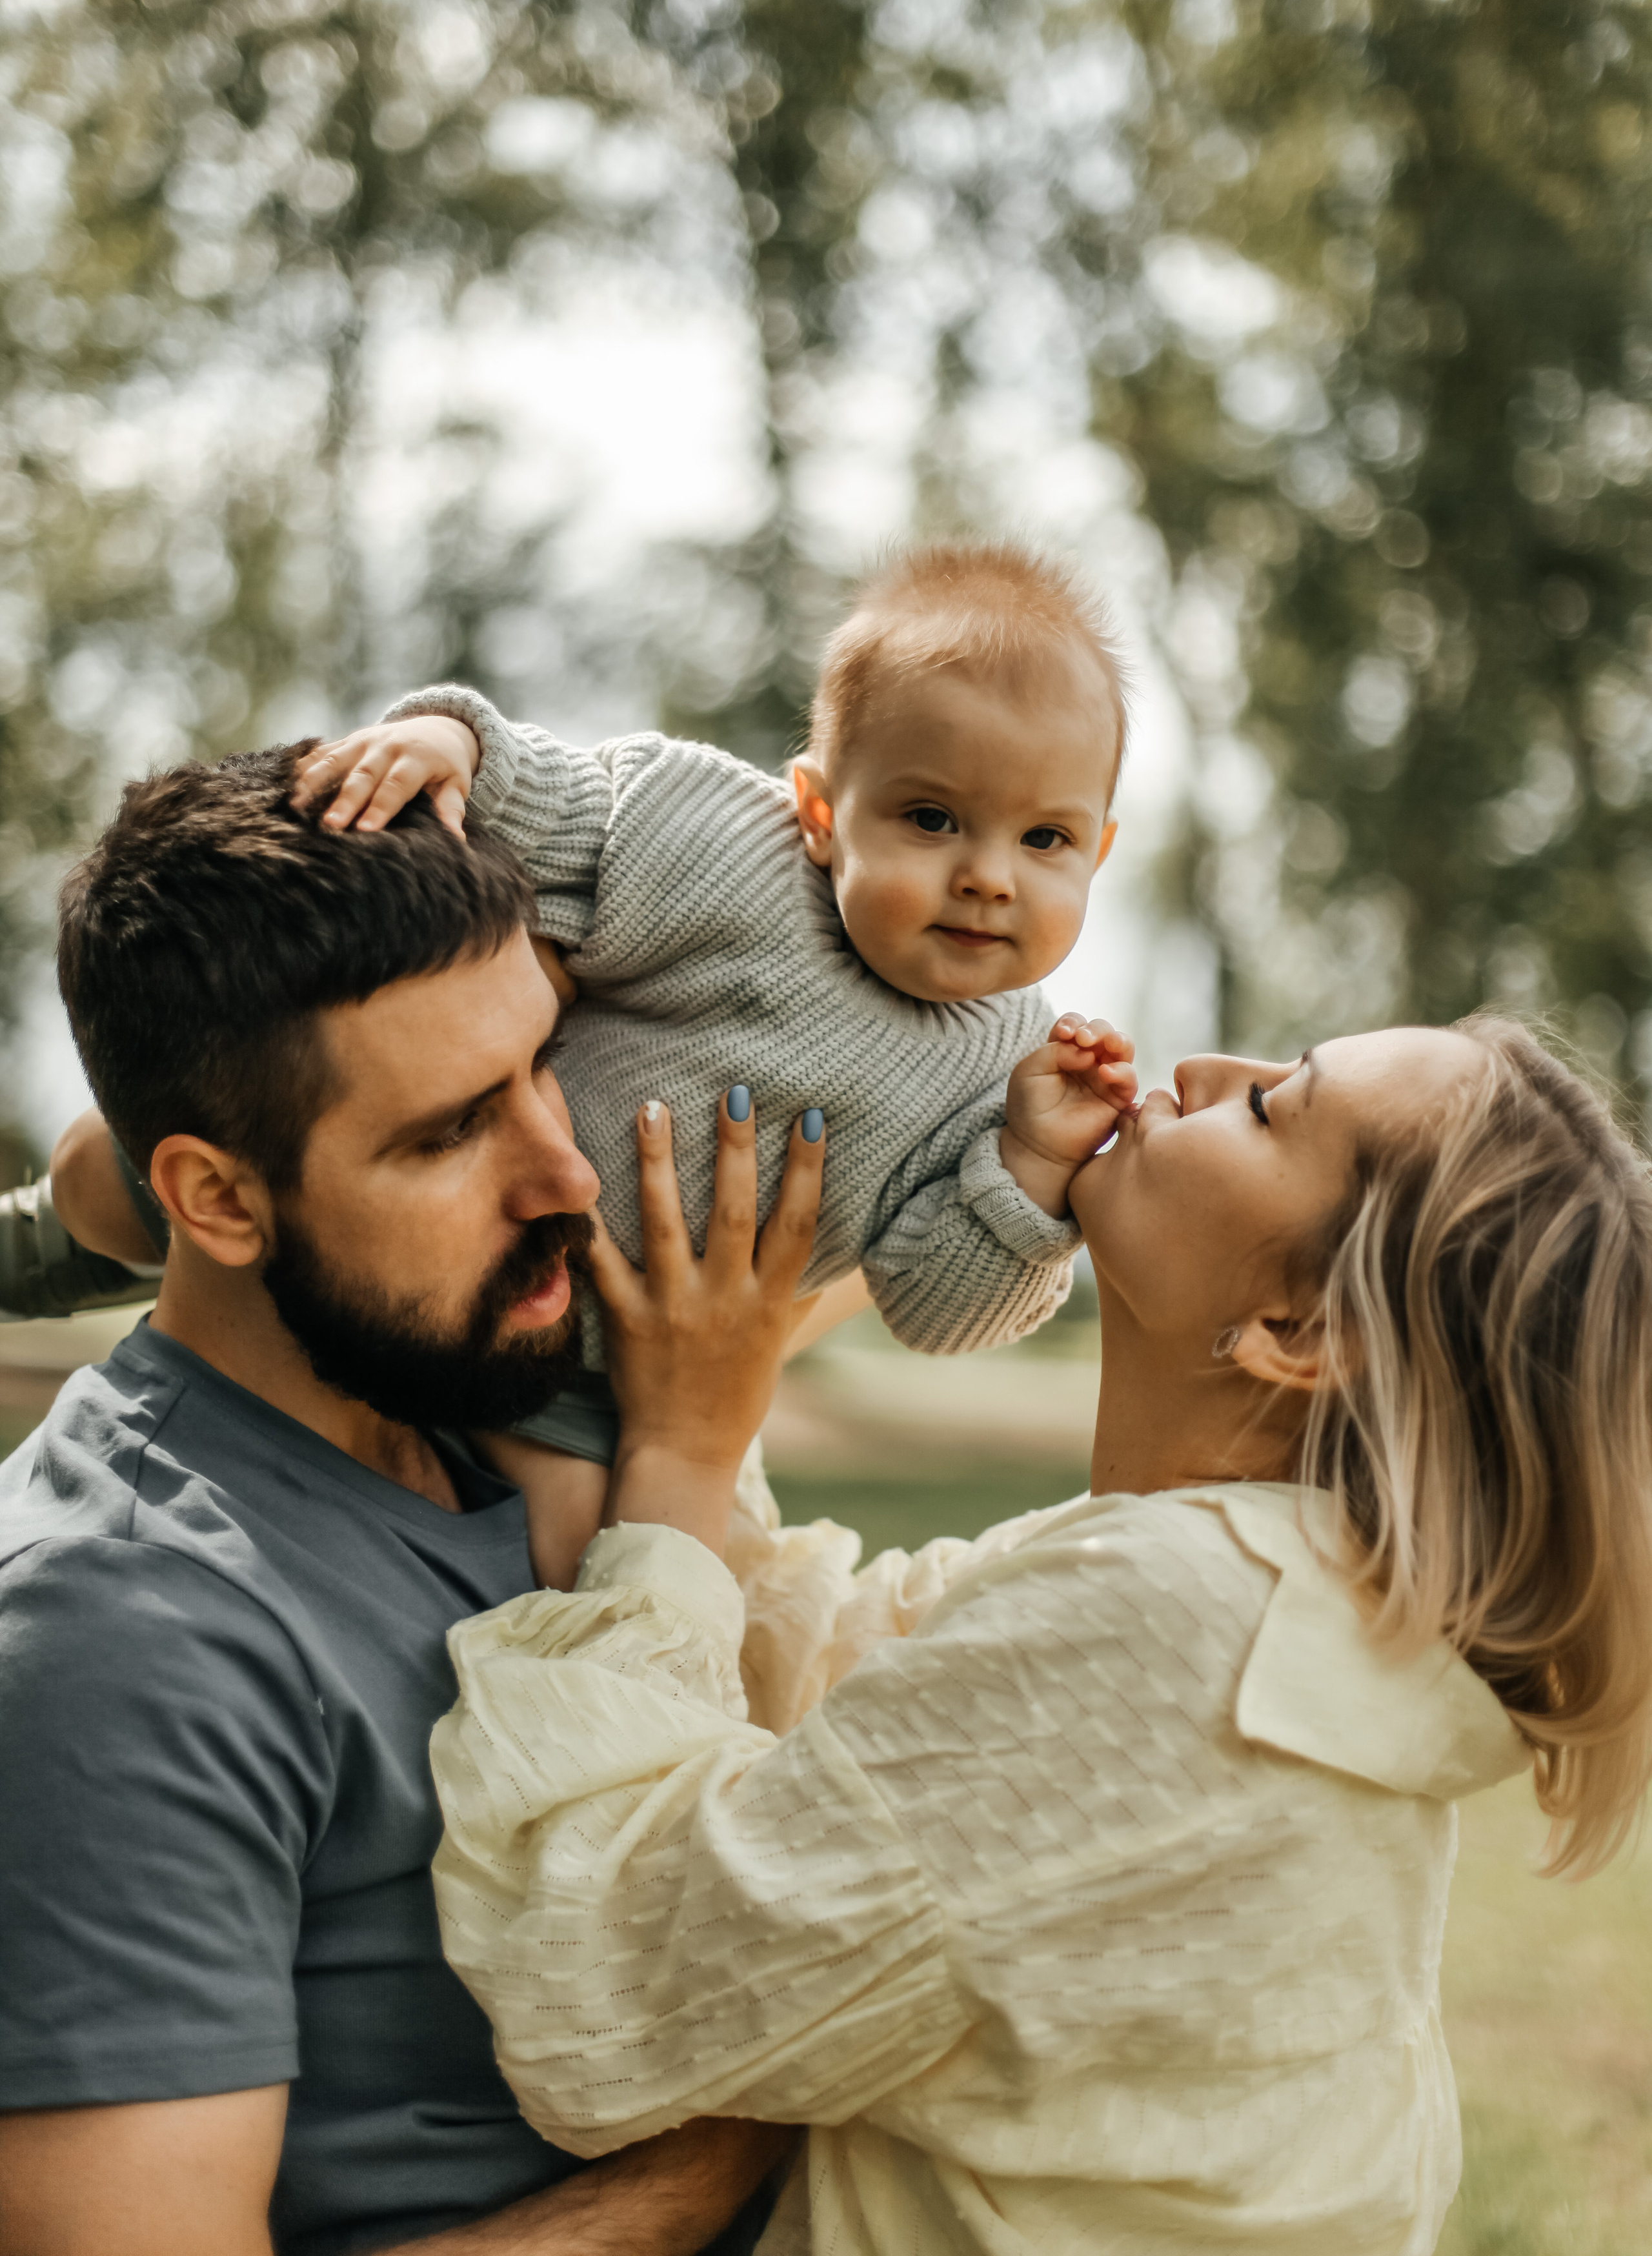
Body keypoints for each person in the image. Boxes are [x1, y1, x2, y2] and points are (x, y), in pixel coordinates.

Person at [425, 1020, 1652, 2254]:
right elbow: (844, 1677)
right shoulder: (1271, 1593)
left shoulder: (1190, 1628)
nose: (1209, 1071)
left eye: (1275, 1109)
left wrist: (685, 1455)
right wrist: (714, 1376)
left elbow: (598, 1980)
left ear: (1298, 1331)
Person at [0, 747, 794, 2256]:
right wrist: (748, 2129)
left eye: (543, 1064)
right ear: (218, 1200)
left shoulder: (520, 1407)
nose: (565, 1172)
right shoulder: (119, 1636)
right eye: (446, 1134)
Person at [279, 539, 1137, 1585]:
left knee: (572, 1569)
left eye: (1044, 839)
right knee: (197, 1182)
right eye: (931, 819)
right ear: (820, 815)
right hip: (450, 1257)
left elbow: (936, 1306)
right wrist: (453, 741)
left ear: (1098, 851)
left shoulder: (1006, 1077)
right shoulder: (724, 846)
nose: (987, 878)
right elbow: (564, 811)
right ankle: (56, 1233)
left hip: (609, 1392)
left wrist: (1035, 1165)